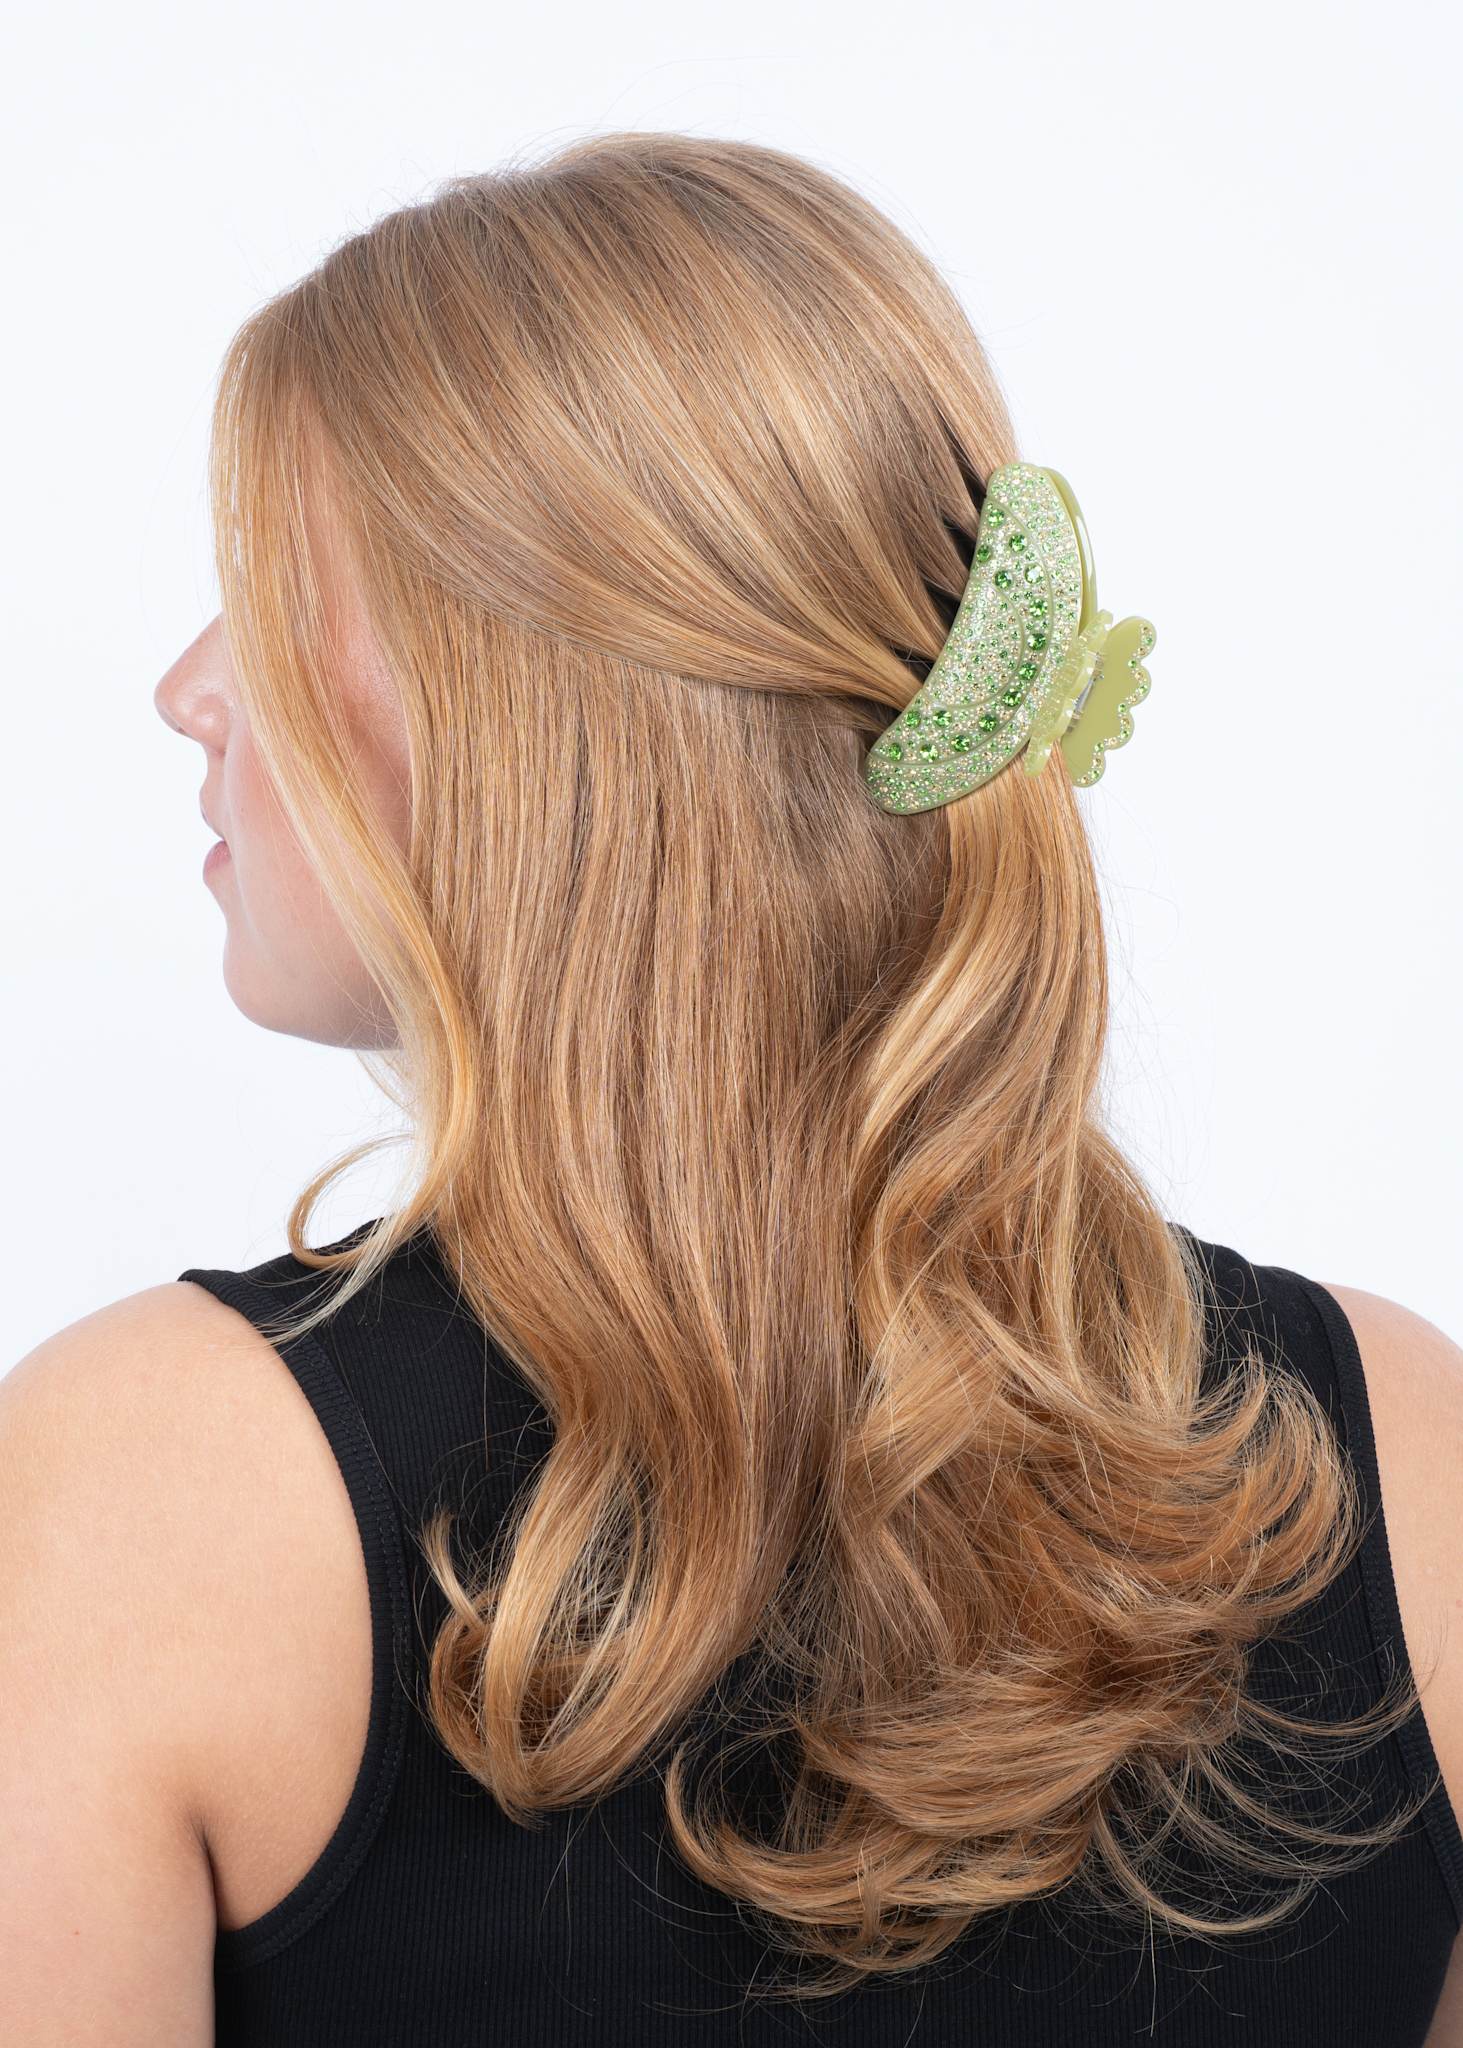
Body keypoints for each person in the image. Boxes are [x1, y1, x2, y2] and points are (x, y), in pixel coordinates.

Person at [3, 131, 1460, 2046]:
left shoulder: (147, 1499)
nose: (193, 691)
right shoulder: (1393, 1457)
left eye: (270, 600)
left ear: (552, 704)